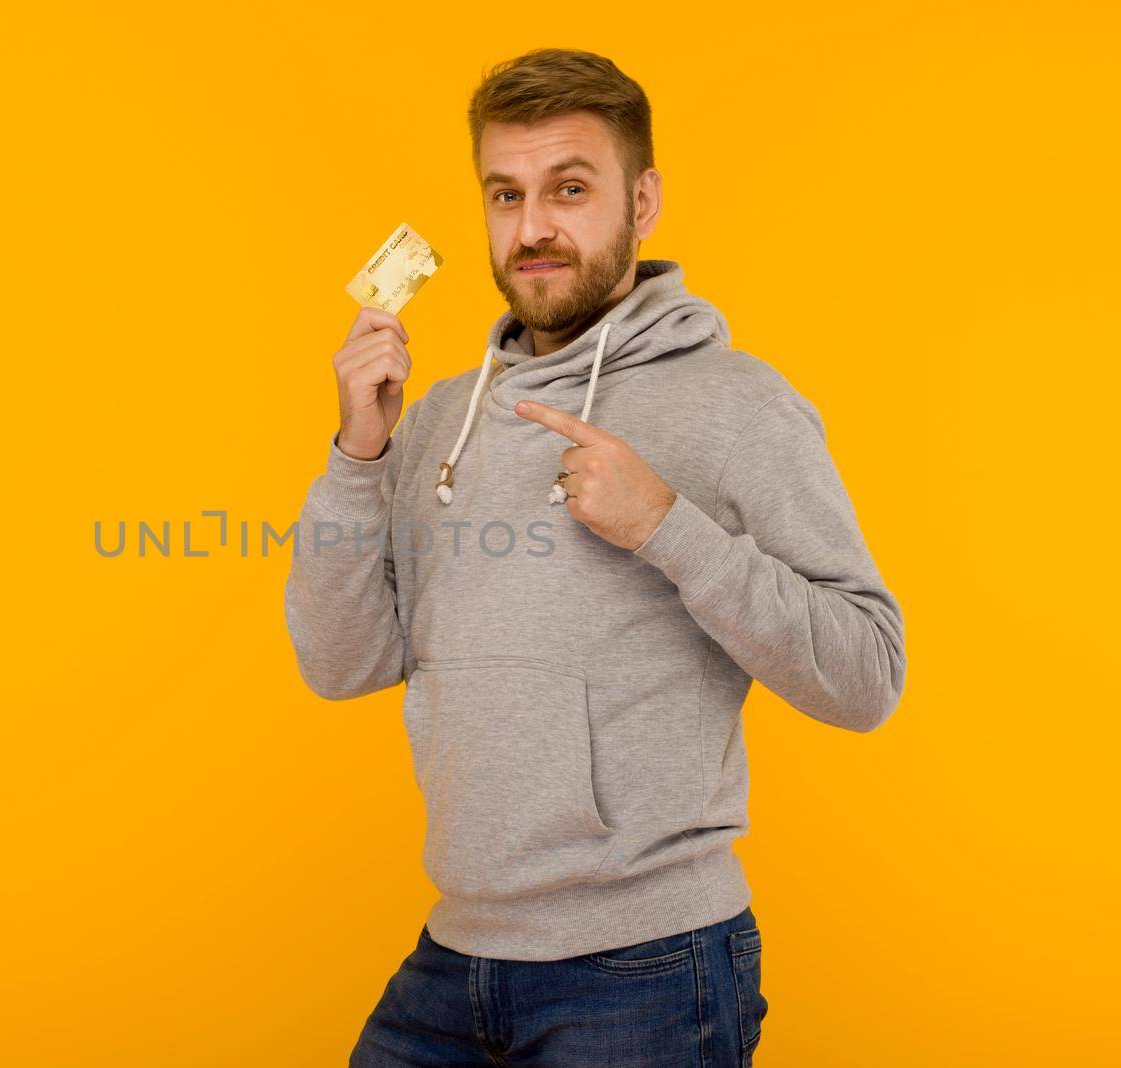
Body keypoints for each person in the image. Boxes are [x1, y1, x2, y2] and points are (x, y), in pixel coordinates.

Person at [283, 48, 906, 1067]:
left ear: (643, 199)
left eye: (569, 189)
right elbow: (339, 663)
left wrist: (666, 524)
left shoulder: (735, 403)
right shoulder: (441, 414)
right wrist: (359, 453)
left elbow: (867, 674)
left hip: (647, 968)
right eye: (506, 194)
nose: (532, 228)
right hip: (456, 954)